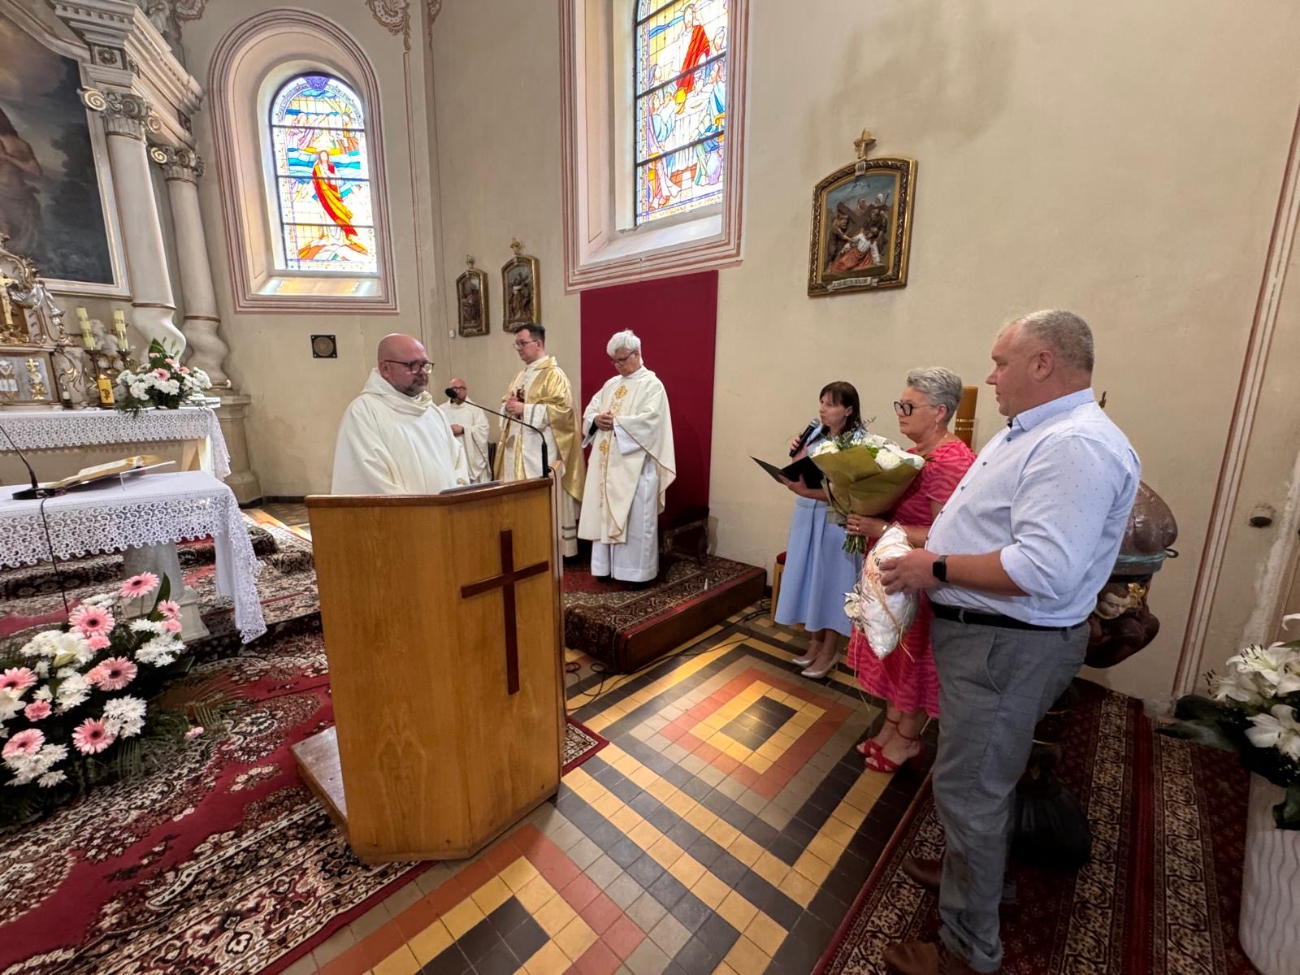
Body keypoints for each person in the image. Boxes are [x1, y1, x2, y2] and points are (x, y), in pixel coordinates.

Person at [878, 310, 1140, 975]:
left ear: (1044, 362)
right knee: (979, 780)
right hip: (995, 642)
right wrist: (923, 544)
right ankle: (980, 877)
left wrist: (930, 567)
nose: (989, 377)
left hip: (1006, 644)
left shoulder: (1074, 443)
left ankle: (969, 947)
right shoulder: (1038, 431)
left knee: (971, 792)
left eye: (1000, 362)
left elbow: (1040, 567)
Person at [844, 367, 976, 773]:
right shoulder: (917, 454)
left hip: (922, 581)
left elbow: (944, 538)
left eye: (909, 406)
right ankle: (890, 729)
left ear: (939, 412)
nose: (900, 413)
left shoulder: (950, 460)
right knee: (897, 659)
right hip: (897, 574)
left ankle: (906, 741)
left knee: (915, 661)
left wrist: (880, 527)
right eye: (899, 404)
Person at [775, 382, 866, 679]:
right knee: (812, 581)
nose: (822, 409)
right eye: (821, 402)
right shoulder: (816, 434)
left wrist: (809, 492)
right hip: (807, 517)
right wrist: (797, 452)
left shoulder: (858, 443)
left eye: (830, 404)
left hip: (834, 520)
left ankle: (830, 652)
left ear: (849, 410)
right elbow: (801, 474)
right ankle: (814, 645)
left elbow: (853, 491)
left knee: (831, 584)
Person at [579, 330, 676, 583]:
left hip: (635, 466)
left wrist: (618, 424)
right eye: (614, 361)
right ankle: (605, 568)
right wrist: (594, 419)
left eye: (622, 359)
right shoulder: (610, 385)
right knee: (604, 514)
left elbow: (652, 423)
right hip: (605, 464)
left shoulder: (652, 385)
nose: (618, 366)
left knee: (635, 522)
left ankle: (635, 574)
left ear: (637, 354)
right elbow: (591, 410)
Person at [331, 334, 468, 494]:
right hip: (401, 517)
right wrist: (420, 513)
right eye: (412, 365)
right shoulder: (364, 413)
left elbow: (458, 463)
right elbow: (373, 481)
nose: (422, 372)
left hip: (445, 516)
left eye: (424, 365)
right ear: (385, 369)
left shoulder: (433, 412)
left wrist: (456, 501)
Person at [494, 325, 586, 556]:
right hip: (517, 449)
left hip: (540, 450)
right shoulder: (520, 376)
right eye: (516, 344)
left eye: (522, 343)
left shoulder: (554, 375)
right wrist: (508, 407)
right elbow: (508, 403)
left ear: (538, 343)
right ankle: (522, 542)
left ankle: (550, 546)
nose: (518, 349)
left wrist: (525, 408)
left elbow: (563, 412)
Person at [439, 378, 491, 483]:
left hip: (471, 458)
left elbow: (483, 429)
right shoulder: (441, 410)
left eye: (461, 388)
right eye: (455, 388)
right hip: (451, 457)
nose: (458, 391)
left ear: (466, 390)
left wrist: (463, 429)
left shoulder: (475, 409)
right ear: (450, 390)